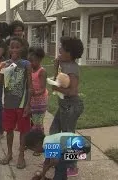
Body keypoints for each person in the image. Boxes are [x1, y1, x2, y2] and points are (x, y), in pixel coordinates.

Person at [50, 36, 84, 177]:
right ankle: (53, 160)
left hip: (71, 106)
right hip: (64, 106)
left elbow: (72, 91)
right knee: (54, 130)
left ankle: (72, 166)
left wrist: (57, 89)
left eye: (62, 48)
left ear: (69, 53)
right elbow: (56, 80)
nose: (59, 49)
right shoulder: (64, 64)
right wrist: (55, 66)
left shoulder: (72, 69)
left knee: (69, 135)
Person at [0, 36, 32, 169]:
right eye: (12, 47)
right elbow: (1, 83)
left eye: (18, 47)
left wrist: (28, 104)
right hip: (9, 104)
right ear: (9, 49)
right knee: (9, 130)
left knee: (23, 131)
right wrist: (1, 70)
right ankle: (10, 153)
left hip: (22, 104)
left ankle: (21, 155)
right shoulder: (5, 64)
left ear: (22, 49)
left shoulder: (26, 64)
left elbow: (30, 86)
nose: (15, 49)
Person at [24, 130, 91, 180]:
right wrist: (43, 175)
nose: (36, 151)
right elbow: (46, 162)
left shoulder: (47, 144)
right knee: (62, 163)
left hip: (83, 148)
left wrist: (49, 166)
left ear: (38, 143)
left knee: (59, 165)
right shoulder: (47, 140)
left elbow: (54, 161)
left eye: (34, 149)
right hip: (82, 146)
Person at [28, 46, 48, 156]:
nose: (31, 63)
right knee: (34, 123)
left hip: (40, 101)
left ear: (39, 60)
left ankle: (40, 146)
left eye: (33, 61)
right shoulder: (30, 69)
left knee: (38, 124)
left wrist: (35, 93)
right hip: (32, 100)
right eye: (29, 61)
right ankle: (33, 142)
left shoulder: (42, 71)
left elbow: (43, 88)